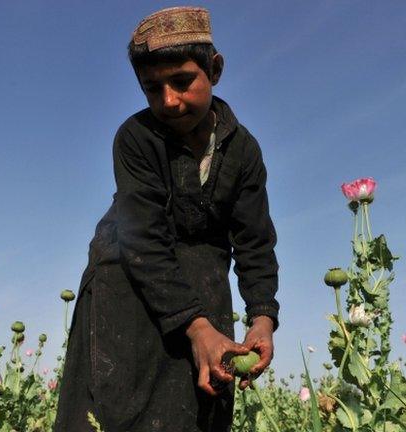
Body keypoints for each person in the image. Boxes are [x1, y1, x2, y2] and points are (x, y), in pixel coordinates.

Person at [53, 6, 279, 432]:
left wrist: (262, 319)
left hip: (206, 295)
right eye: (152, 88)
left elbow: (255, 242)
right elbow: (144, 241)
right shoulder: (136, 138)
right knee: (115, 414)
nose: (169, 101)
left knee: (197, 414)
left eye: (182, 81)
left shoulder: (244, 151)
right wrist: (196, 329)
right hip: (126, 291)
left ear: (214, 69)